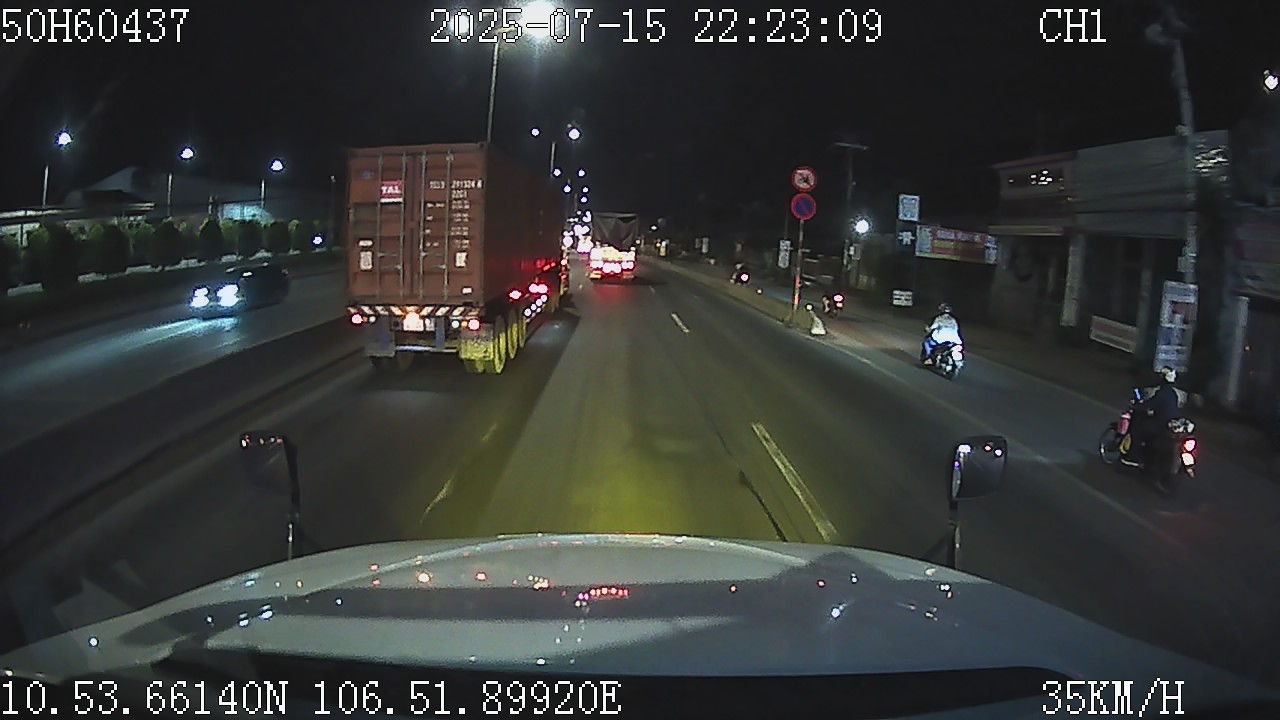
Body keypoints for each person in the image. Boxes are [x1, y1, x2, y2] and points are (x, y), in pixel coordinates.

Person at [1121, 366, 1182, 469]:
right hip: (1168, 424)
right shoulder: (1173, 394)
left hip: (1159, 424)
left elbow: (1150, 404)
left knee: (1137, 431)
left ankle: (1134, 458)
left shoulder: (1162, 393)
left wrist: (1136, 406)